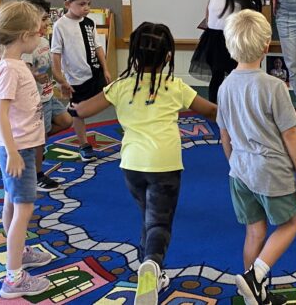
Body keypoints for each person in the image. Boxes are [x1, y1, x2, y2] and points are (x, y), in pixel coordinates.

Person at [71, 22, 217, 305]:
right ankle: (151, 265)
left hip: (132, 166)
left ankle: (150, 270)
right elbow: (210, 111)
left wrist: (70, 105)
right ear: (167, 57)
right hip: (164, 164)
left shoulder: (121, 87)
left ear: (134, 55)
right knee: (160, 222)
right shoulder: (174, 86)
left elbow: (83, 110)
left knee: (149, 216)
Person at [218, 10, 296, 305]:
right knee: (293, 222)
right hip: (270, 170)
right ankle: (255, 276)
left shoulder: (225, 86)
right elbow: (290, 135)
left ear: (230, 46)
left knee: (254, 231)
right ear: (267, 45)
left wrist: (234, 162)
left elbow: (225, 137)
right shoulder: (273, 86)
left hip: (240, 170)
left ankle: (254, 296)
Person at [0, 0, 53, 299]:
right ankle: (13, 278)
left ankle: (20, 253)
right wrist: (14, 152)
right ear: (25, 35)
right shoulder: (10, 70)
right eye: (39, 31)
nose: (42, 36)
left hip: (19, 148)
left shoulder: (14, 65)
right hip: (19, 151)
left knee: (12, 205)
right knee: (23, 210)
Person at [50, 0, 112, 162]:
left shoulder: (89, 23)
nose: (86, 8)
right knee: (78, 113)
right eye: (81, 4)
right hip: (76, 78)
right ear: (68, 4)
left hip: (96, 72)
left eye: (88, 4)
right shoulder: (60, 26)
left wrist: (106, 68)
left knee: (111, 97)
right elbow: (56, 55)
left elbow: (98, 47)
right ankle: (84, 144)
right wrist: (61, 79)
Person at [20, 0, 73, 192]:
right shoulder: (26, 43)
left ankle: (31, 147)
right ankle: (36, 175)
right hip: (35, 100)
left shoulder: (42, 40)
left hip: (48, 94)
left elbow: (48, 66)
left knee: (65, 121)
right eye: (43, 19)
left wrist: (61, 82)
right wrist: (34, 75)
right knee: (39, 137)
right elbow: (20, 67)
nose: (47, 22)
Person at [190, 0, 263, 103]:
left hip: (211, 44)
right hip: (233, 45)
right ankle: (239, 107)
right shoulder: (243, 5)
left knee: (216, 78)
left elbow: (207, 20)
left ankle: (214, 107)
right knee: (238, 78)